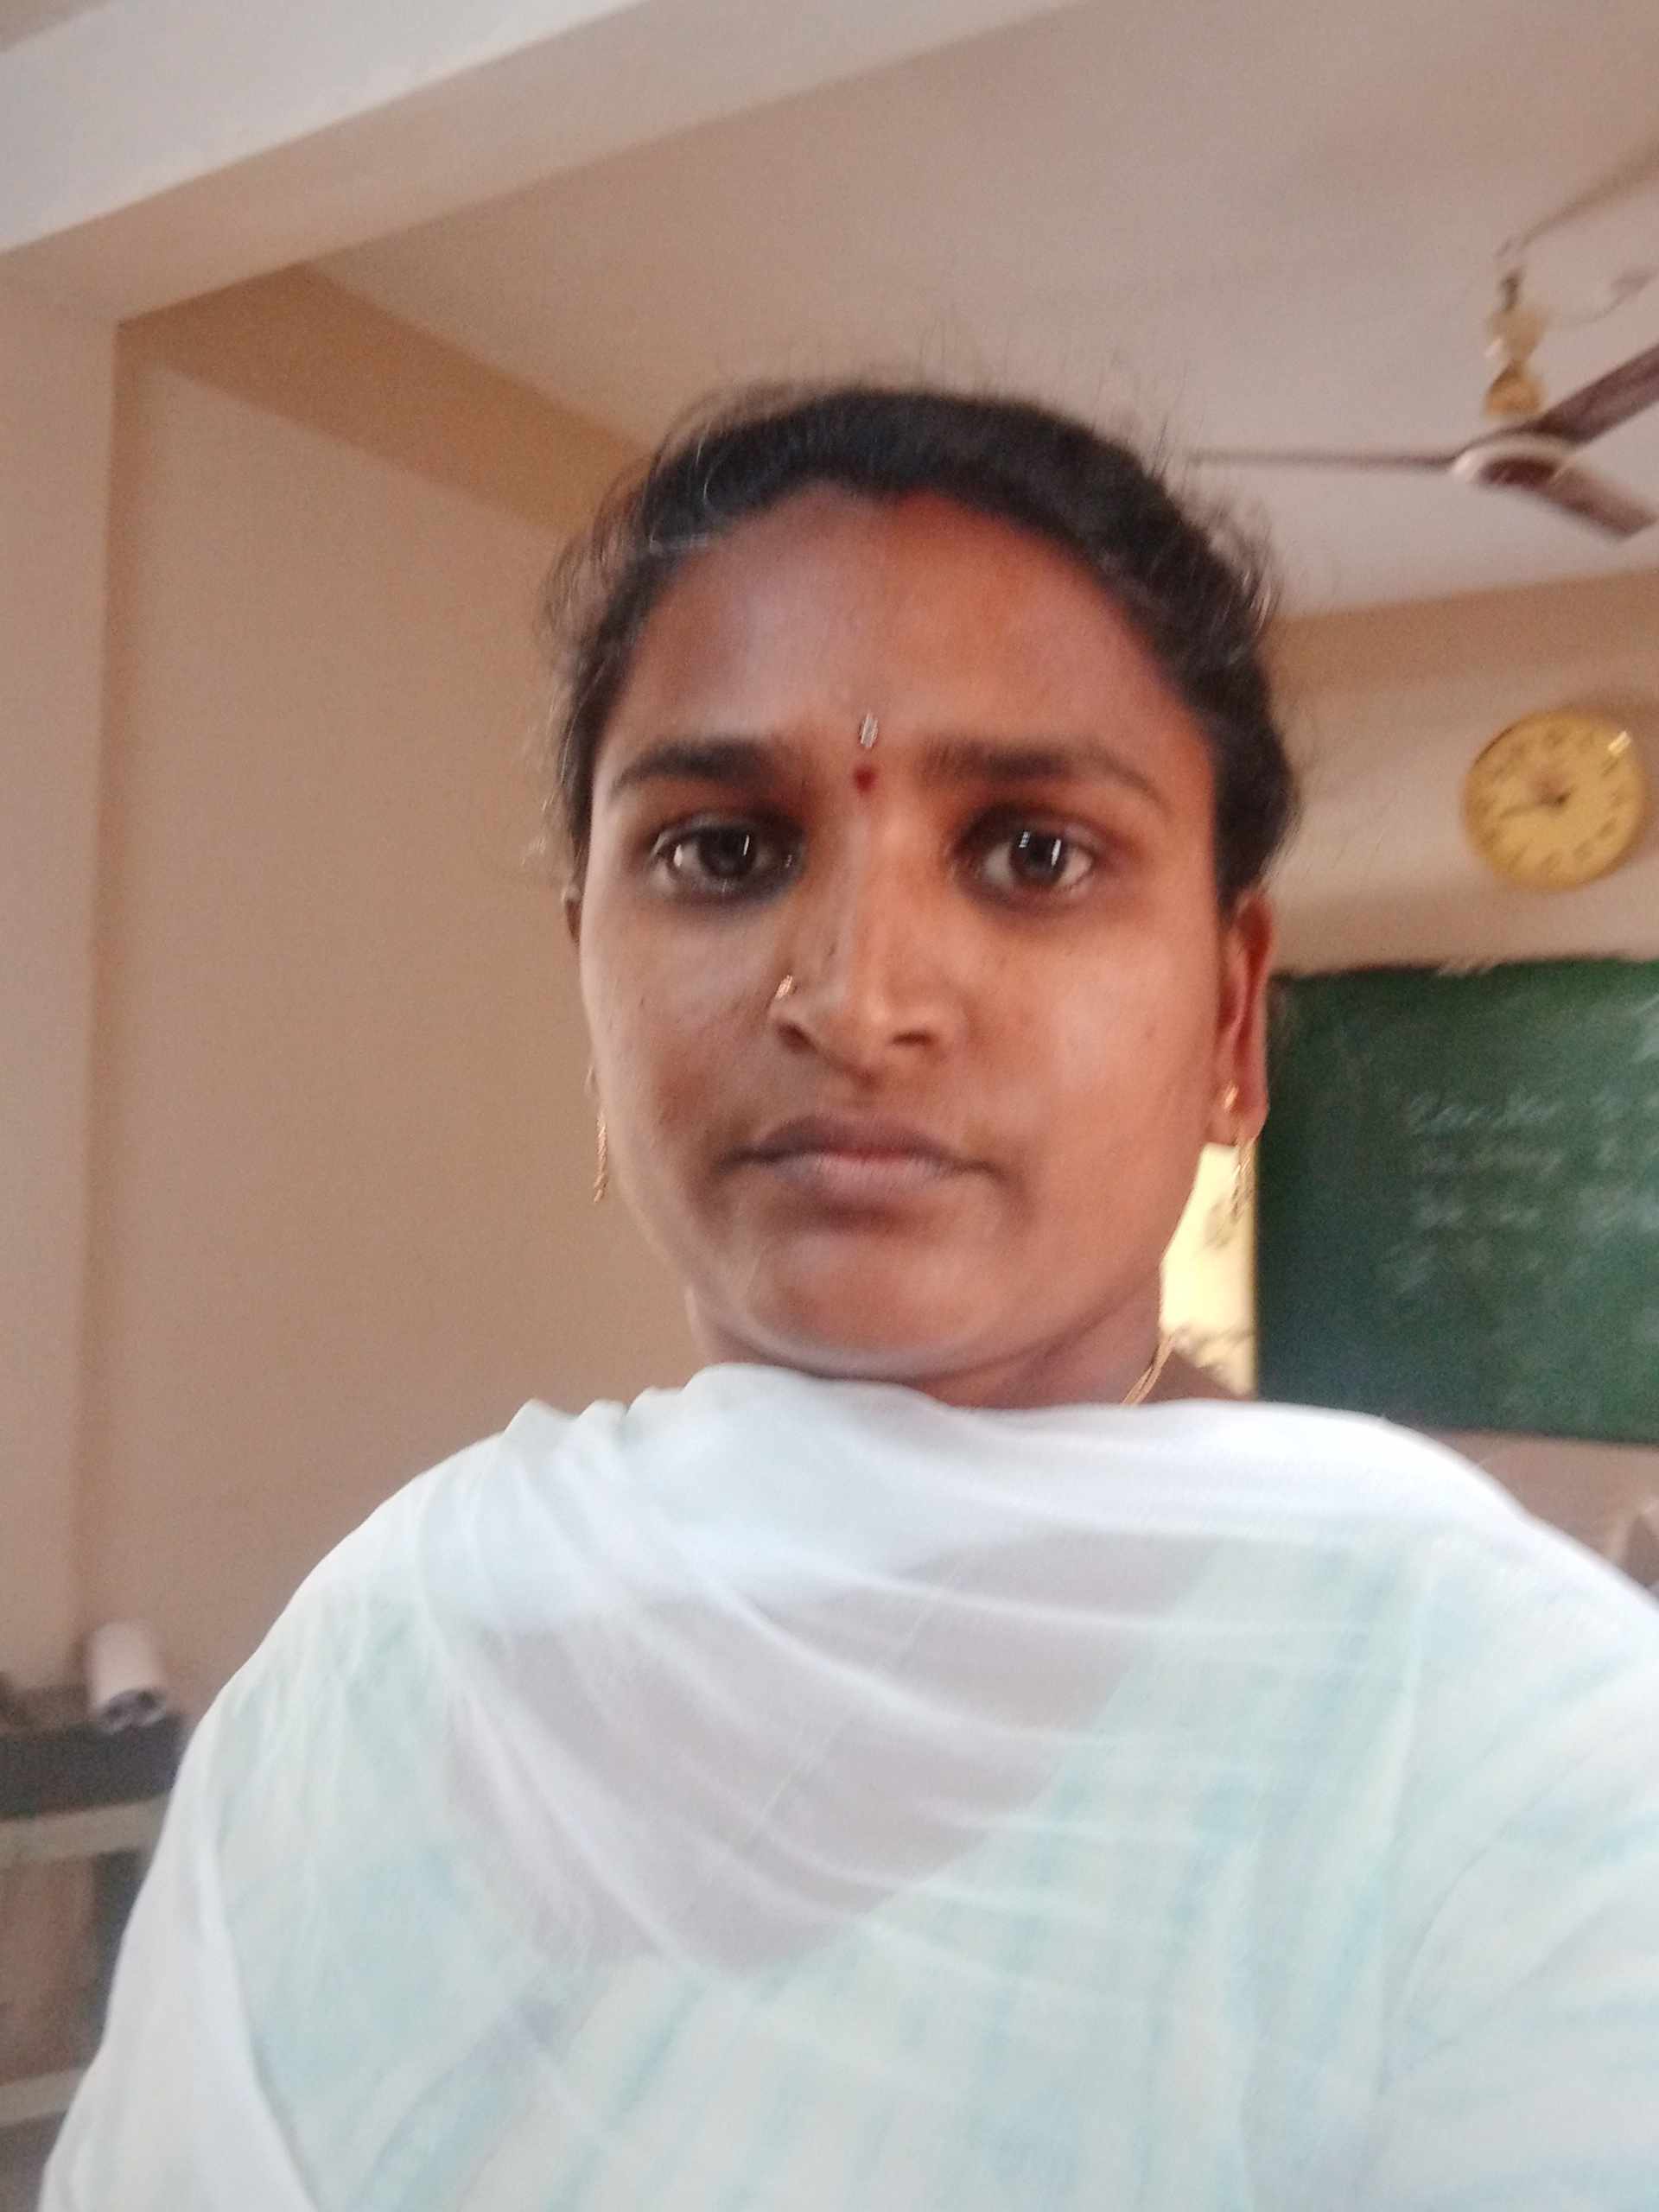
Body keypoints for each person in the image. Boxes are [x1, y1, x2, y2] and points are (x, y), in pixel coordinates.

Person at [45, 385, 1659, 2209]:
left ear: (1229, 1018)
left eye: (1033, 850)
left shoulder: (1501, 1738)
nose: (854, 997)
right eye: (723, 850)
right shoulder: (389, 1645)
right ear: (589, 977)